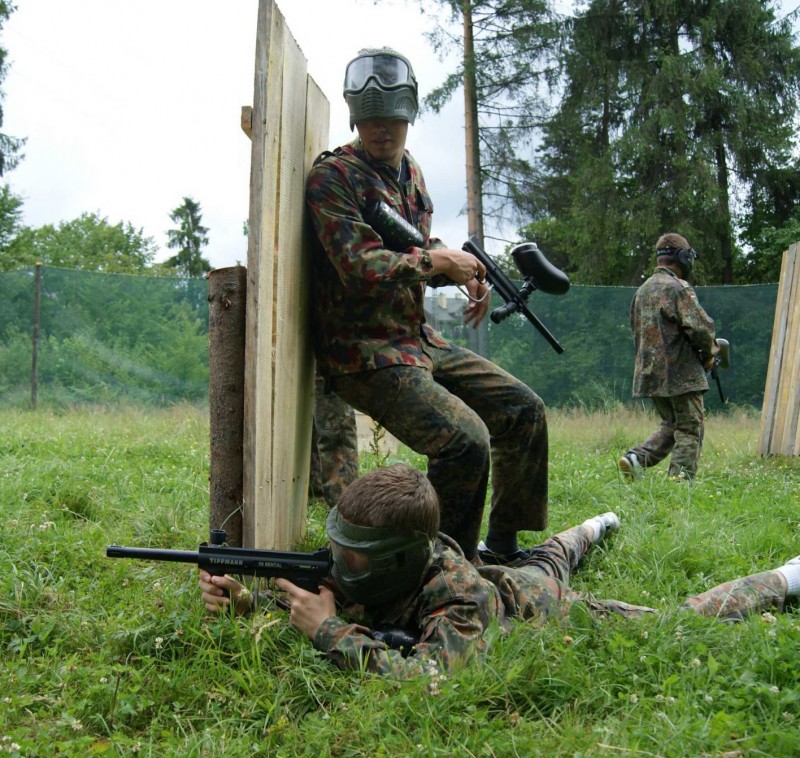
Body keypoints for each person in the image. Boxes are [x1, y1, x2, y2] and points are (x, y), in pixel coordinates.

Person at [199, 465, 800, 679]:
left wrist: (327, 632)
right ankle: (593, 525)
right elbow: (347, 600)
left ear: (403, 557)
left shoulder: (460, 598)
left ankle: (784, 577)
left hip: (535, 606)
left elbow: (432, 676)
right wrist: (248, 603)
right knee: (544, 555)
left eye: (353, 559)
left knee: (671, 621)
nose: (337, 567)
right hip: (504, 573)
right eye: (339, 550)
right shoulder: (373, 566)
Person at [304, 46, 548, 566]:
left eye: (390, 118)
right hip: (363, 354)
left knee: (523, 410)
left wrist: (464, 278)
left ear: (409, 114)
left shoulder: (411, 175)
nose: (380, 130)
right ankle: (446, 568)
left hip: (416, 342)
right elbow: (361, 266)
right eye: (369, 119)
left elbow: (416, 256)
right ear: (355, 115)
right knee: (465, 440)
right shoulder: (333, 179)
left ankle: (501, 544)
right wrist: (439, 264)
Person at [620, 233, 719, 481]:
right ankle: (680, 483)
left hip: (649, 372)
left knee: (672, 423)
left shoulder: (641, 291)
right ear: (683, 258)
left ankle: (636, 459)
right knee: (689, 427)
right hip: (680, 372)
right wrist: (710, 355)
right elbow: (701, 329)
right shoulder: (677, 288)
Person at [309, 371, 359, 508]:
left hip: (335, 362)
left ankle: (344, 507)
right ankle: (317, 497)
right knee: (324, 422)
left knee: (335, 428)